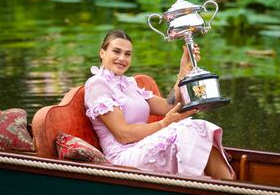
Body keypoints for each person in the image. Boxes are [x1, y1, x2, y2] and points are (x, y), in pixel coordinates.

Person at [84, 29, 235, 180]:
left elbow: (168, 106)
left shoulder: (129, 83)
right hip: (122, 159)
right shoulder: (97, 84)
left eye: (127, 54)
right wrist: (166, 123)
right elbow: (124, 135)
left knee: (198, 127)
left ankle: (227, 185)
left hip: (143, 145)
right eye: (116, 51)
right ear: (102, 53)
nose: (122, 58)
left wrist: (184, 70)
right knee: (190, 128)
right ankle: (223, 186)